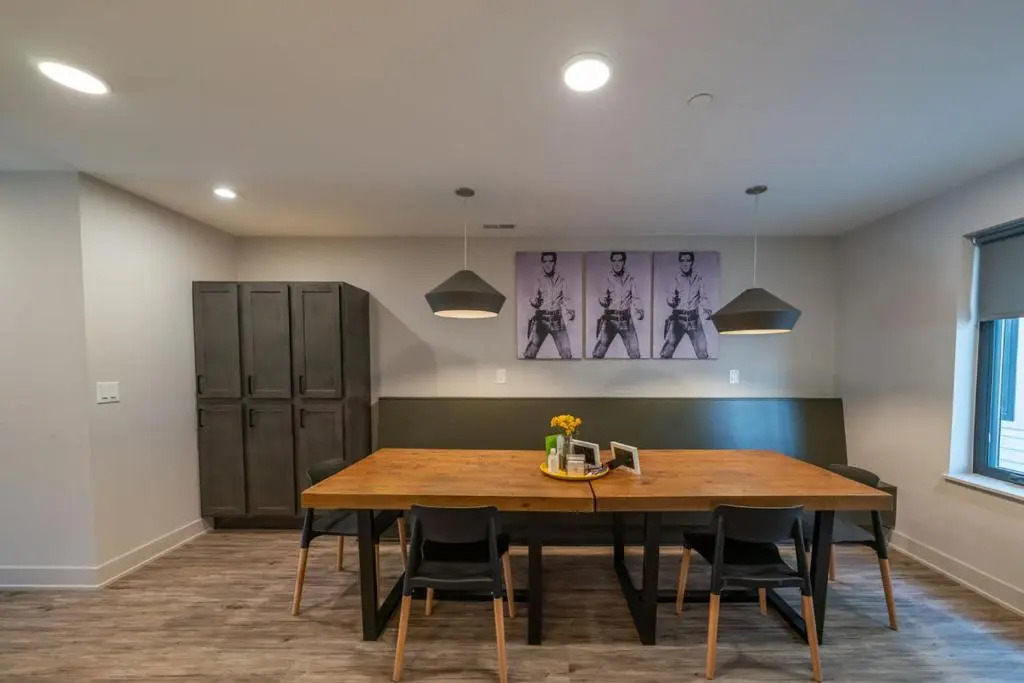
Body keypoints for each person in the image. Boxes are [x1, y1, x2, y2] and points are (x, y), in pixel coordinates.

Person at [660, 251, 712, 359]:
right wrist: (671, 300)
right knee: (666, 354)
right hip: (678, 319)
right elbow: (669, 296)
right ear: (679, 263)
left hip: (694, 320)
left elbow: (703, 297)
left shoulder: (698, 278)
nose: (685, 263)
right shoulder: (675, 279)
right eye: (682, 260)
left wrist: (707, 309)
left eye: (688, 260)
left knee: (703, 353)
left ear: (692, 262)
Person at [523, 252, 576, 359]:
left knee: (567, 354)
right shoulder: (538, 280)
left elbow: (566, 298)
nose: (548, 264)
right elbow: (532, 299)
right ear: (542, 263)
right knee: (529, 354)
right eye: (545, 261)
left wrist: (570, 311)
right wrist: (534, 301)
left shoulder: (561, 280)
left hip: (557, 319)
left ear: (554, 263)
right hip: (541, 319)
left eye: (551, 261)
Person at [592, 251, 644, 359]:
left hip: (626, 320)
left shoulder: (630, 279)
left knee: (635, 354)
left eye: (620, 260)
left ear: (624, 262)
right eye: (614, 261)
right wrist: (602, 300)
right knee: (598, 354)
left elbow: (635, 298)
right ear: (611, 262)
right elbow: (601, 297)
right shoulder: (606, 279)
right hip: (610, 320)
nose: (617, 264)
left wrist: (640, 311)